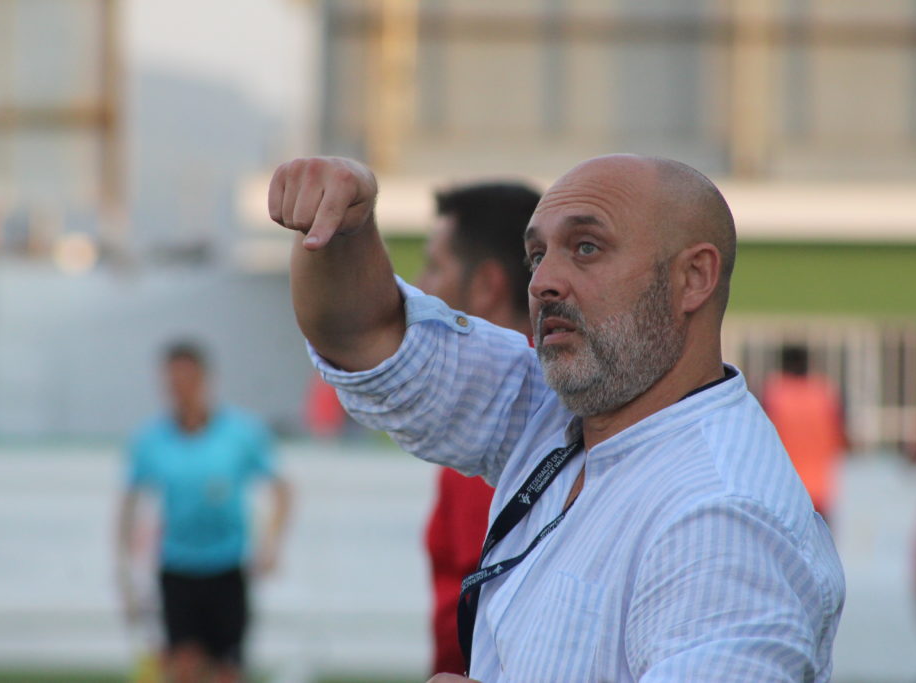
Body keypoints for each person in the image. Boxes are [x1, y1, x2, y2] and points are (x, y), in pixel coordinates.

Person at [269, 154, 845, 681]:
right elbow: (366, 336)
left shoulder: (722, 520)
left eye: (586, 247)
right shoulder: (564, 411)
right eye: (537, 254)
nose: (541, 282)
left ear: (693, 277)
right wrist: (343, 226)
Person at [419, 182, 541, 675]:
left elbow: (477, 606)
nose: (420, 288)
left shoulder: (503, 419)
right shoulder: (552, 399)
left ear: (487, 285)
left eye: (435, 266)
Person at [116, 341, 291, 683]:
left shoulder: (240, 433)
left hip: (227, 568)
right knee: (183, 668)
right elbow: (129, 503)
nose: (180, 391)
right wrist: (124, 572)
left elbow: (282, 489)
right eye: (172, 383)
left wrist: (271, 543)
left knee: (227, 671)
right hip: (178, 569)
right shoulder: (151, 440)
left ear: (204, 380)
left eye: (187, 380)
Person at [761, 344, 847, 522]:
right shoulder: (824, 394)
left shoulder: (773, 395)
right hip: (820, 491)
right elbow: (842, 440)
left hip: (782, 492)